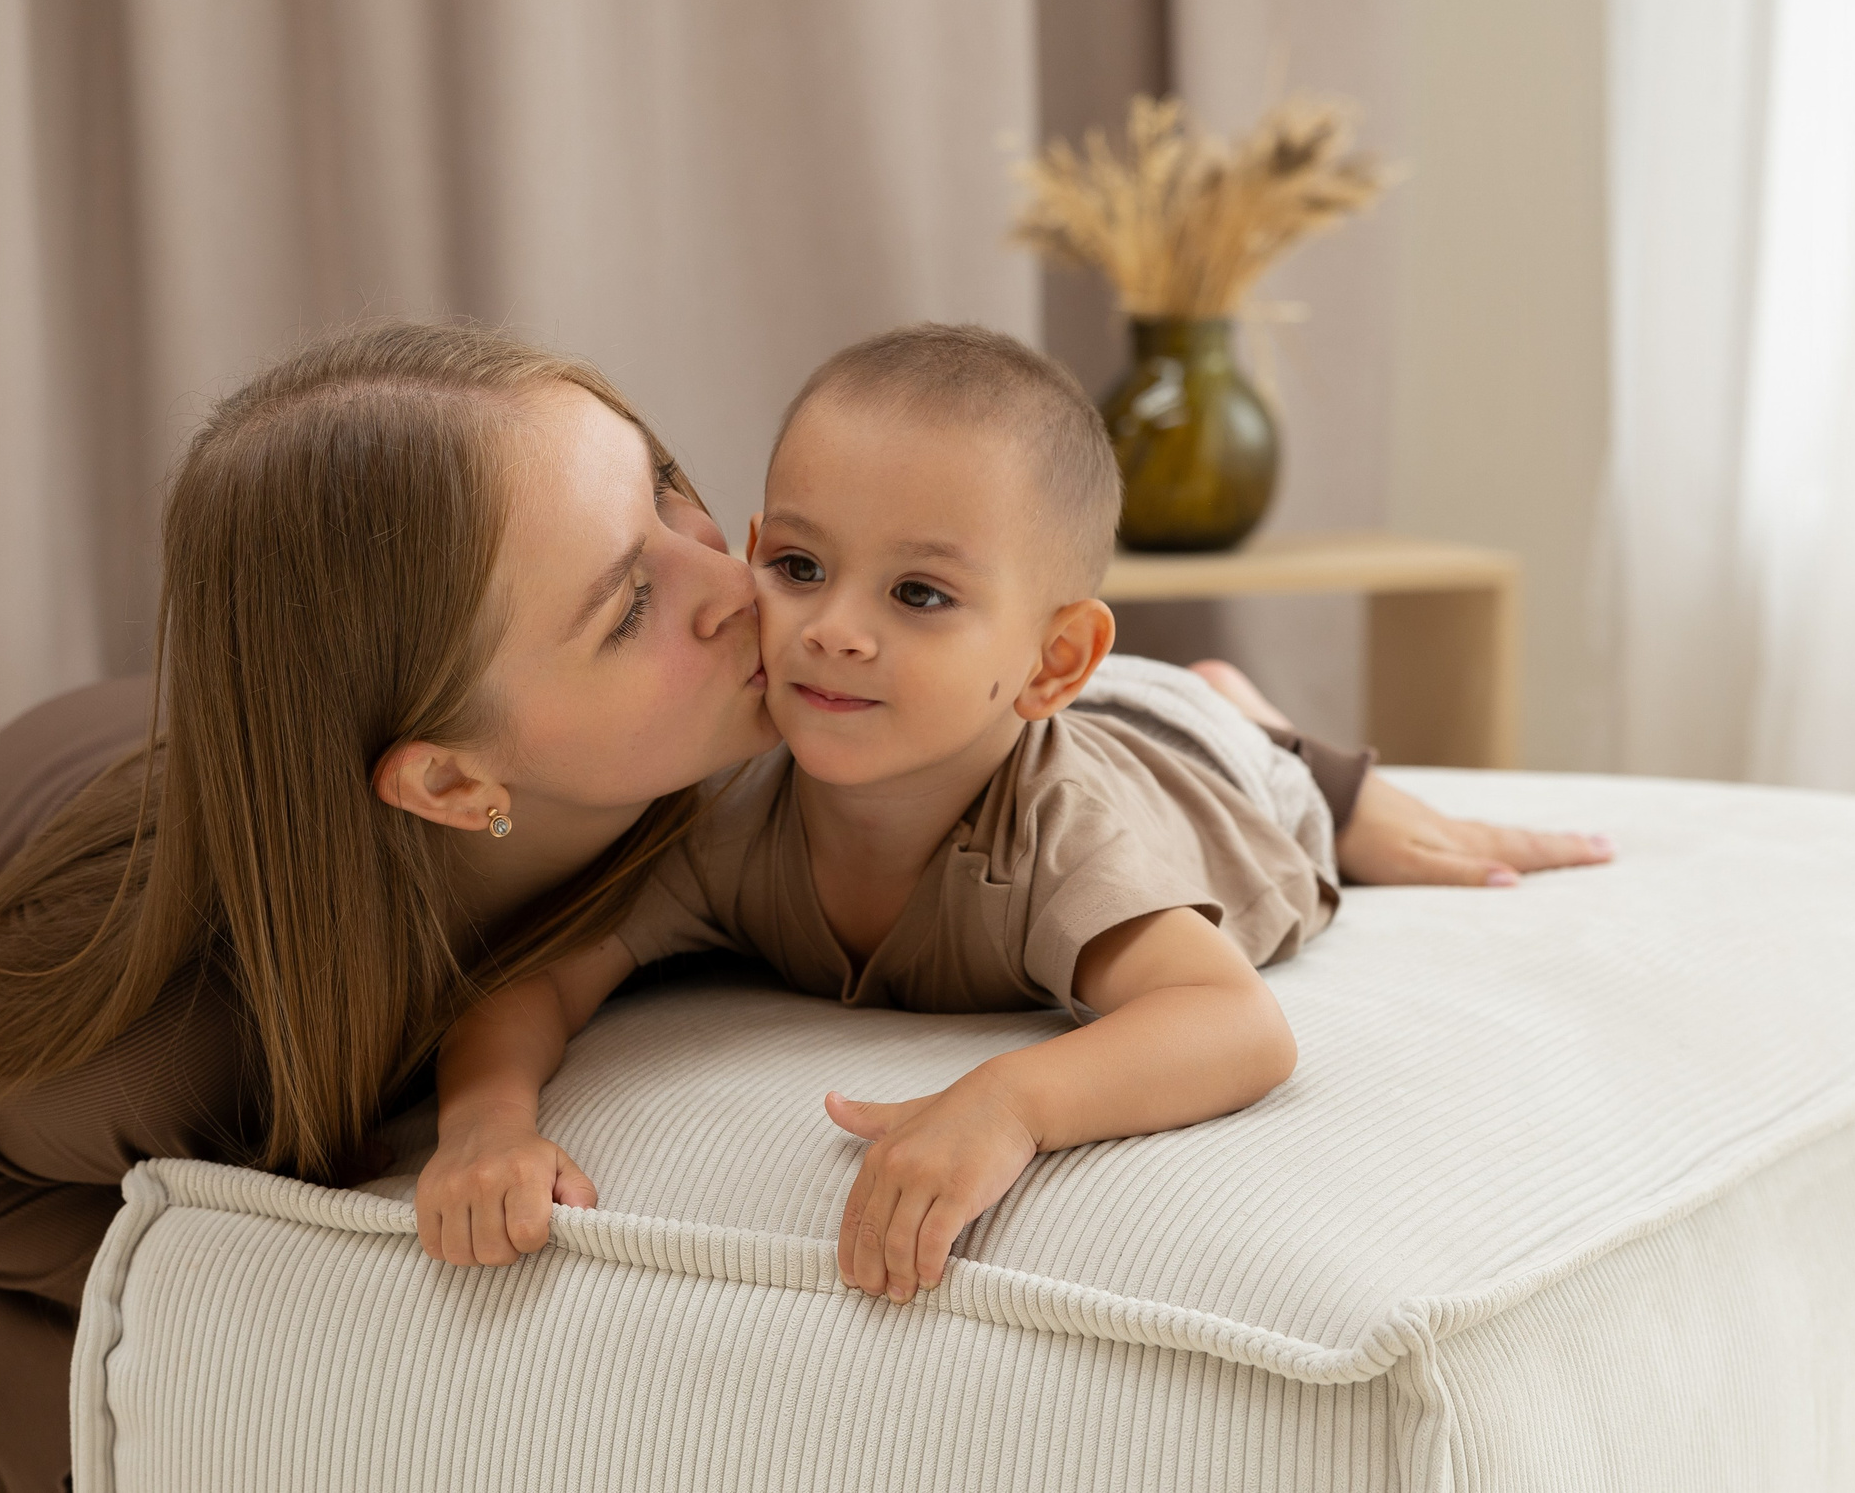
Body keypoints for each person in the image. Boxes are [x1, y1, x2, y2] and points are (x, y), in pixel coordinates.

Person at [0, 319, 1603, 1493]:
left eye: (669, 494)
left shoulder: (736, 759)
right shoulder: (165, 1022)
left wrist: (1337, 791)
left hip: (257, 736)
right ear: (455, 778)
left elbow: (1058, 741)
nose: (735, 584)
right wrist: (194, 1291)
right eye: (622, 603)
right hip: (41, 845)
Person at [414, 324, 1613, 1309]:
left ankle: (1247, 717)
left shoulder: (1061, 837)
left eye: (919, 592)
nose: (835, 628)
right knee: (1153, 708)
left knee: (1270, 770)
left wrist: (1011, 1102)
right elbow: (542, 978)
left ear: (1051, 658)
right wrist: (483, 1120)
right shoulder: (729, 814)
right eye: (799, 569)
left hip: (1202, 776)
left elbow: (1234, 1022)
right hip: (1062, 708)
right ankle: (1193, 690)